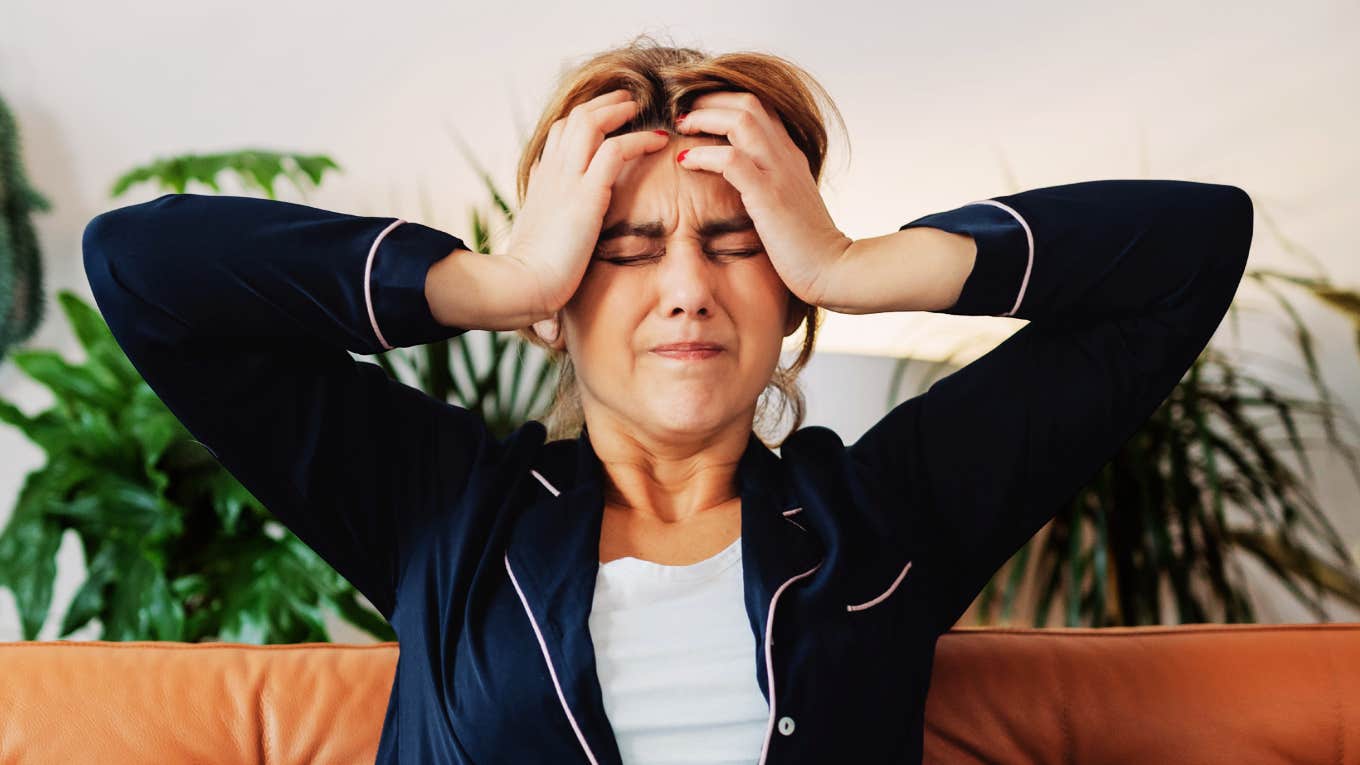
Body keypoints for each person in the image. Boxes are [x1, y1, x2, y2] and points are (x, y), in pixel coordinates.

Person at [80, 38, 1253, 765]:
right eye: (625, 249)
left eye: (737, 243)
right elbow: (143, 269)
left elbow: (1191, 247)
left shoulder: (888, 517)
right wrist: (496, 278)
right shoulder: (444, 514)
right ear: (557, 294)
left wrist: (849, 263)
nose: (687, 290)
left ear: (785, 292)